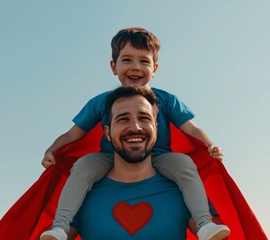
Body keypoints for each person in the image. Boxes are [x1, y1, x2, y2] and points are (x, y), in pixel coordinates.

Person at [40, 27, 230, 240]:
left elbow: (191, 128)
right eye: (127, 60)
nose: (136, 67)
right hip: (111, 157)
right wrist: (52, 149)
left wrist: (210, 145)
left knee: (185, 165)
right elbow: (73, 134)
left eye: (144, 61)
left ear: (155, 68)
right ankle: (60, 227)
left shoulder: (166, 99)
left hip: (160, 157)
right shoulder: (102, 102)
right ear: (114, 66)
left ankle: (204, 223)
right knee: (82, 167)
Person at [68, 86, 193, 239]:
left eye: (144, 118)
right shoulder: (80, 194)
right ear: (107, 132)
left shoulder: (185, 192)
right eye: (123, 119)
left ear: (156, 128)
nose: (135, 127)